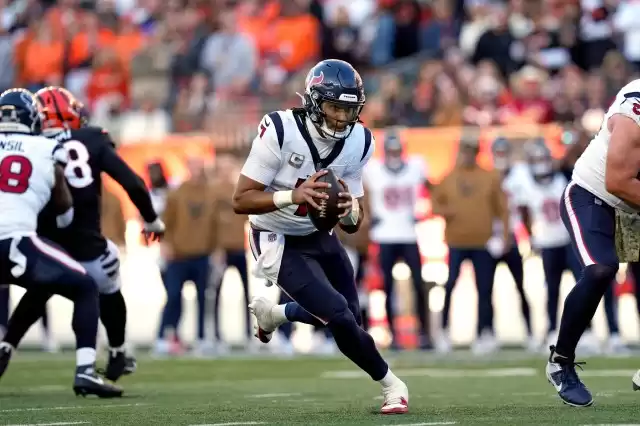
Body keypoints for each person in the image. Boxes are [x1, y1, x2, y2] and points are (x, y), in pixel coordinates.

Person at [233, 59, 408, 414]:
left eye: (349, 109)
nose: (343, 118)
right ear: (314, 102)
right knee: (339, 317)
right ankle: (393, 386)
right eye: (334, 107)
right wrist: (292, 196)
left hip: (317, 232)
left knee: (348, 318)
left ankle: (275, 314)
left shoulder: (359, 141)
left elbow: (353, 222)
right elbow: (241, 200)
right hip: (275, 236)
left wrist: (349, 210)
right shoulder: (281, 129)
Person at [0, 86, 165, 382]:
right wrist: (152, 220)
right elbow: (133, 183)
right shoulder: (90, 139)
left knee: (39, 291)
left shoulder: (28, 142)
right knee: (107, 286)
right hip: (88, 247)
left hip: (43, 241)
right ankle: (115, 352)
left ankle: (7, 345)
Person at [548, 80, 640, 407]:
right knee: (601, 269)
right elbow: (617, 182)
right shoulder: (635, 111)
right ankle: (561, 362)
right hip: (595, 196)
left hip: (634, 206)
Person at [432, 137, 508, 354]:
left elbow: (502, 208)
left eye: (471, 150)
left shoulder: (489, 176)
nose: (468, 154)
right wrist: (449, 212)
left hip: (482, 242)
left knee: (485, 289)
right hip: (456, 241)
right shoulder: (449, 177)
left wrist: (503, 236)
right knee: (450, 285)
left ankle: (485, 332)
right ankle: (444, 331)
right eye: (465, 150)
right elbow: (435, 203)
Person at [364, 131, 431, 350]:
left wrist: (423, 209)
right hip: (384, 235)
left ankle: (424, 333)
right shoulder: (373, 170)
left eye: (396, 149)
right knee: (387, 288)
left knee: (419, 285)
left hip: (409, 234)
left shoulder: (415, 167)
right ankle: (392, 334)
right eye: (390, 149)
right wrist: (370, 213)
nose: (394, 154)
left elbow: (430, 189)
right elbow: (361, 192)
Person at [159, 156, 219, 356]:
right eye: (193, 166)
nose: (196, 170)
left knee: (203, 298)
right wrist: (165, 244)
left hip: (202, 254)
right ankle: (164, 335)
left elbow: (215, 224)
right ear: (187, 168)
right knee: (173, 295)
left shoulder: (210, 193)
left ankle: (201, 337)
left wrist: (216, 249)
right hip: (178, 255)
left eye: (199, 166)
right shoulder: (176, 193)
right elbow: (166, 221)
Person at [488, 138, 534, 352]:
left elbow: (525, 208)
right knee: (485, 288)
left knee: (521, 285)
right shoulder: (486, 176)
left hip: (513, 236)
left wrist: (530, 235)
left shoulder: (520, 174)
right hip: (490, 236)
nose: (500, 156)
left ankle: (531, 331)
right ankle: (486, 332)